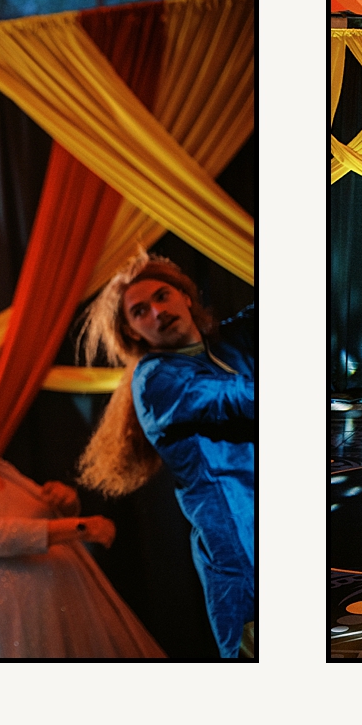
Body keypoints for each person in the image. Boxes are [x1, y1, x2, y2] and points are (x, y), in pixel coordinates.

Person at [78, 254, 256, 658]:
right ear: (132, 331)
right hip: (244, 564)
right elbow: (242, 398)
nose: (158, 312)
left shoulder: (230, 341)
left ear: (187, 298)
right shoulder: (155, 379)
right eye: (141, 311)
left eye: (163, 296)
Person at [0, 389, 164, 658]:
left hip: (56, 607)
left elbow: (41, 516)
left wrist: (65, 504)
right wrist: (81, 527)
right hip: (9, 619)